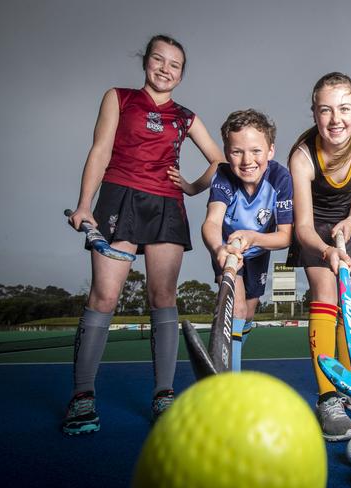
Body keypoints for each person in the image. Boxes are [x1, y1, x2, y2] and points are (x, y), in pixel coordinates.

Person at [62, 34, 224, 435]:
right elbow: (100, 150)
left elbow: (220, 162)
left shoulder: (186, 116)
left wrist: (190, 187)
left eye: (174, 65)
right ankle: (83, 396)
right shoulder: (118, 97)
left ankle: (163, 394)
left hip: (167, 205)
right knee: (104, 296)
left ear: (182, 74)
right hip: (119, 197)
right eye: (159, 60)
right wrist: (85, 204)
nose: (165, 69)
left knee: (163, 297)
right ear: (146, 62)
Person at [287, 72, 351, 441]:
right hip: (314, 231)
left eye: (344, 108)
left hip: (348, 223)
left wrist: (348, 224)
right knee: (326, 297)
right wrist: (327, 249)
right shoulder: (302, 157)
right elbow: (304, 226)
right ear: (314, 113)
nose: (335, 119)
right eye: (325, 110)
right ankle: (327, 399)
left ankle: (350, 382)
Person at [197, 109, 293, 371]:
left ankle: (237, 339)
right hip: (228, 251)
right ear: (227, 153)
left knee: (248, 313)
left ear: (270, 151)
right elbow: (212, 222)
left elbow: (285, 236)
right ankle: (231, 381)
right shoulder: (223, 177)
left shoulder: (281, 178)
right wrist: (219, 248)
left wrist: (253, 237)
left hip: (259, 249)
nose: (247, 160)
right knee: (236, 310)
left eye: (255, 151)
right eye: (237, 151)